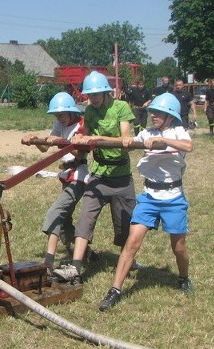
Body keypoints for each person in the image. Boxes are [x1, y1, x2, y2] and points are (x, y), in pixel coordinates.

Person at [98, 93, 194, 311]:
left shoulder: (178, 131)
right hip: (149, 197)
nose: (153, 116)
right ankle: (115, 289)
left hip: (173, 198)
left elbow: (188, 147)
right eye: (152, 112)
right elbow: (128, 143)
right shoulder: (147, 133)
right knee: (132, 242)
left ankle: (183, 277)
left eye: (158, 113)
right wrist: (118, 141)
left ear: (170, 116)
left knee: (178, 247)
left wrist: (163, 141)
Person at [53, 71, 140, 284]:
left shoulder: (121, 108)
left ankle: (127, 260)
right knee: (85, 219)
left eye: (96, 94)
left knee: (124, 225)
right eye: (89, 95)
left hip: (121, 177)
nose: (92, 98)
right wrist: (75, 144)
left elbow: (125, 140)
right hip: (98, 175)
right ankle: (75, 267)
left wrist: (97, 137)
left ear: (105, 92)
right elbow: (86, 140)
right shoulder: (90, 111)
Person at [21, 92, 91, 276]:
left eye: (60, 115)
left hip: (79, 176)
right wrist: (34, 139)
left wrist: (60, 141)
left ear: (70, 112)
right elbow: (46, 146)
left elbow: (80, 153)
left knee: (56, 212)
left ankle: (48, 263)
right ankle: (87, 253)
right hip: (66, 174)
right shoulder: (60, 124)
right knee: (66, 222)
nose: (58, 119)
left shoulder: (82, 125)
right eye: (56, 116)